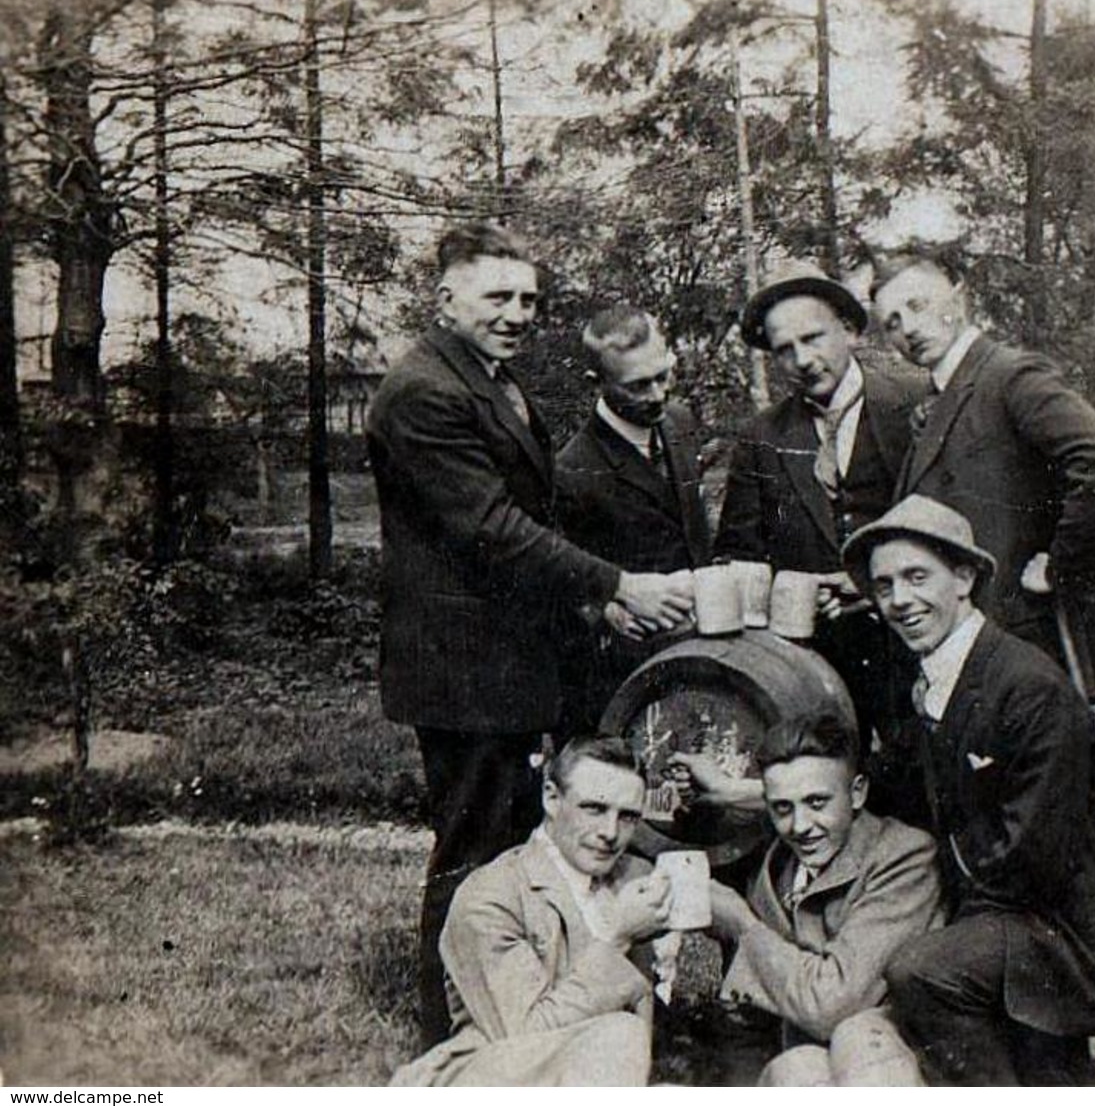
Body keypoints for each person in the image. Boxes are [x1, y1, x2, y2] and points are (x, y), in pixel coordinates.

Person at [365, 222, 694, 1044]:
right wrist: (615, 581)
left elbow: (526, 527)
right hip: (463, 664)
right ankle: (450, 1030)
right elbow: (491, 528)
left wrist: (592, 605)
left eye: (529, 300)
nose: (517, 313)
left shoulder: (489, 380)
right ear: (446, 299)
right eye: (497, 296)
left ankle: (519, 1008)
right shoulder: (423, 392)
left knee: (512, 842)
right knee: (475, 846)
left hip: (505, 656)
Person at [841, 495, 1095, 1086]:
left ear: (964, 578)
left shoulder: (1027, 687)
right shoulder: (933, 680)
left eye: (916, 577)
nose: (900, 600)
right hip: (1012, 921)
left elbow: (1034, 853)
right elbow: (896, 788)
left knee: (921, 971)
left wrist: (952, 933)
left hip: (1076, 938)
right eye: (884, 586)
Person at [870, 251, 1095, 702]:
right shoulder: (936, 395)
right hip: (972, 642)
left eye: (917, 306)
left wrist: (1062, 569)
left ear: (957, 299)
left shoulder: (1008, 374)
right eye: (893, 323)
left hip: (1025, 639)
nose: (909, 329)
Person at [715, 261, 922, 751]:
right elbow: (739, 551)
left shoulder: (914, 406)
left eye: (813, 338)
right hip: (815, 664)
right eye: (784, 350)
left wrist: (872, 583)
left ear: (849, 331)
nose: (802, 359)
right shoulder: (762, 438)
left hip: (911, 645)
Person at [390, 737, 672, 1086]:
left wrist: (739, 924)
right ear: (552, 798)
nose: (610, 833)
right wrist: (617, 938)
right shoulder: (493, 895)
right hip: (493, 1078)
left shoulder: (632, 877)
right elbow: (525, 1034)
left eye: (627, 816)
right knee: (619, 1034)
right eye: (594, 809)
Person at [706, 712, 943, 1086]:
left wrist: (744, 926)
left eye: (817, 803)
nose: (800, 827)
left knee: (858, 1037)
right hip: (812, 1060)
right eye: (783, 808)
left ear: (858, 793)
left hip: (894, 1060)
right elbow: (746, 1022)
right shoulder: (774, 872)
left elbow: (832, 1004)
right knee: (796, 1069)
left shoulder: (903, 857)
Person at [556, 304, 713, 729]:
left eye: (663, 376)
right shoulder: (572, 470)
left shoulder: (679, 423)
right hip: (624, 668)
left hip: (702, 648)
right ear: (597, 383)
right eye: (638, 386)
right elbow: (561, 578)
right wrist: (606, 606)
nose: (658, 395)